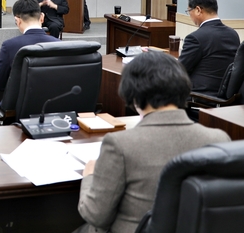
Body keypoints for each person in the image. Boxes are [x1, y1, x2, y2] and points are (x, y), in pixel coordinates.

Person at [75, 51, 230, 233]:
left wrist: (89, 176)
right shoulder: (219, 139)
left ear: (132, 93)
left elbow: (96, 216)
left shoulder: (119, 144)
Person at [178, 0, 240, 97]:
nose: (189, 15)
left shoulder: (195, 38)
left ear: (198, 10)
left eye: (189, 11)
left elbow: (179, 70)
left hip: (198, 97)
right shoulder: (233, 34)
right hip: (224, 98)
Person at [0, 0, 59, 91]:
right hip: (50, 103)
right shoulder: (58, 44)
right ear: (42, 17)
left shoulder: (9, 46)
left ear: (18, 20)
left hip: (18, 105)